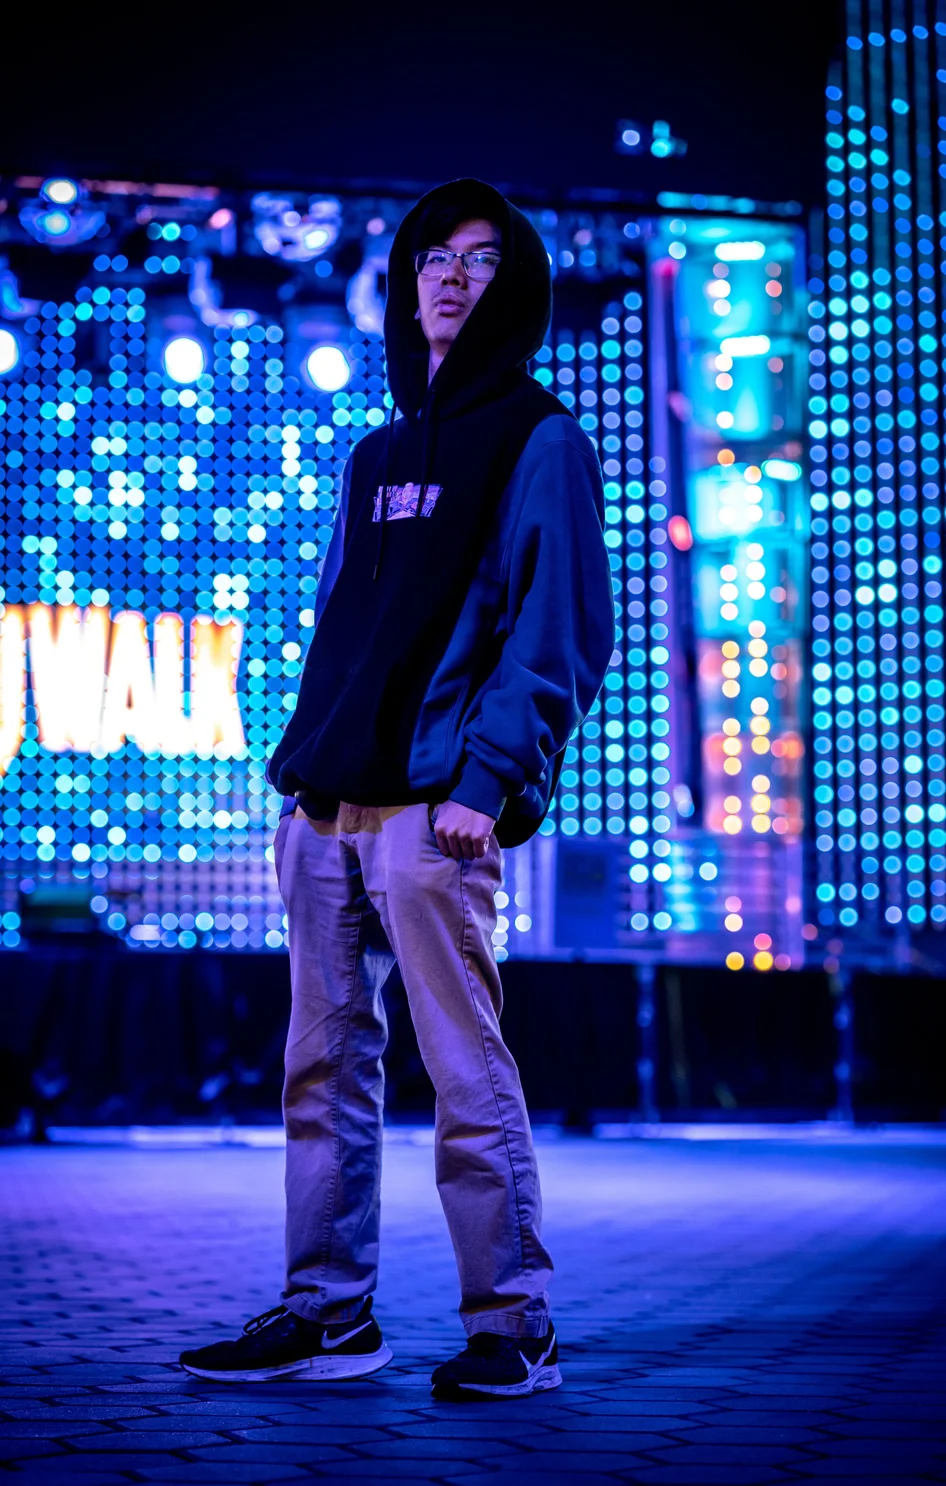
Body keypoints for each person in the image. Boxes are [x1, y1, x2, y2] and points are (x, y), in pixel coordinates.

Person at [180, 178, 614, 1398]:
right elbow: (341, 625)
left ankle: (514, 1324)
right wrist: (298, 771)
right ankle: (327, 1316)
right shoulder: (374, 456)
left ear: (513, 285)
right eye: (433, 255)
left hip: (436, 813)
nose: (451, 275)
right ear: (406, 281)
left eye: (479, 257)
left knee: (466, 1072)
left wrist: (488, 778)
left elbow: (561, 628)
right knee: (320, 1072)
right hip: (326, 809)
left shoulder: (540, 438)